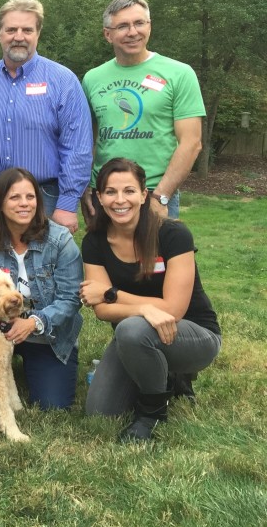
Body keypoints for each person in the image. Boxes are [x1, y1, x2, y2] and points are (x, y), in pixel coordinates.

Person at [80, 158, 221, 442]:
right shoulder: (94, 242)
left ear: (144, 195)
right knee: (100, 411)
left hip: (193, 334)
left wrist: (112, 294)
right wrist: (144, 306)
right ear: (99, 197)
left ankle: (152, 414)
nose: (120, 200)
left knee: (132, 328)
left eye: (129, 191)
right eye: (110, 192)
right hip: (136, 337)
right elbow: (102, 312)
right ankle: (162, 373)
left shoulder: (172, 234)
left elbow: (174, 309)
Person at [0, 168, 83, 410]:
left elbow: (70, 300)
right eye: (14, 197)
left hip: (46, 336)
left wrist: (33, 322)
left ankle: (32, 367)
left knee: (52, 405)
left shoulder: (60, 240)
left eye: (30, 197)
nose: (24, 204)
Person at [83, 0, 205, 220]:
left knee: (157, 256)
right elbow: (85, 140)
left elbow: (192, 142)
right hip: (105, 195)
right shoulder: (92, 79)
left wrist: (161, 196)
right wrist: (86, 189)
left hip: (154, 194)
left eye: (139, 23)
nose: (132, 32)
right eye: (122, 26)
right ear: (107, 34)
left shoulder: (179, 74)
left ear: (149, 26)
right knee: (102, 256)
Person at [0, 0, 91, 233]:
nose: (19, 36)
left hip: (45, 198)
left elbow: (77, 147)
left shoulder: (63, 81)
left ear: (38, 33)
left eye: (27, 30)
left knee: (42, 268)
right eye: (11, 29)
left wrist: (68, 204)